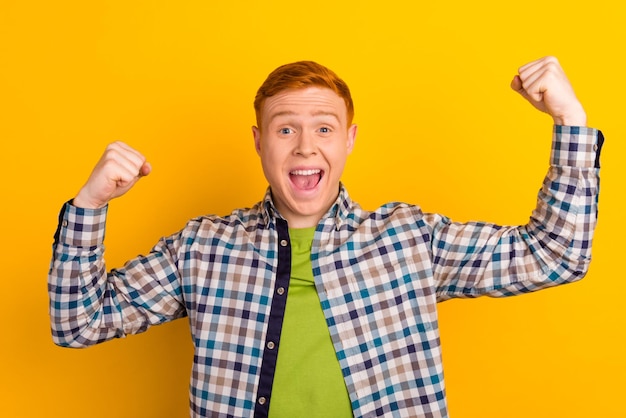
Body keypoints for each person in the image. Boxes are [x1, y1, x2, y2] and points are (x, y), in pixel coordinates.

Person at [48, 56, 604, 418]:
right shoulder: (202, 248)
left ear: (349, 140)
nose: (305, 146)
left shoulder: (409, 241)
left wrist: (570, 121)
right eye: (285, 128)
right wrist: (90, 205)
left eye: (324, 128)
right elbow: (78, 323)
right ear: (259, 142)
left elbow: (554, 256)